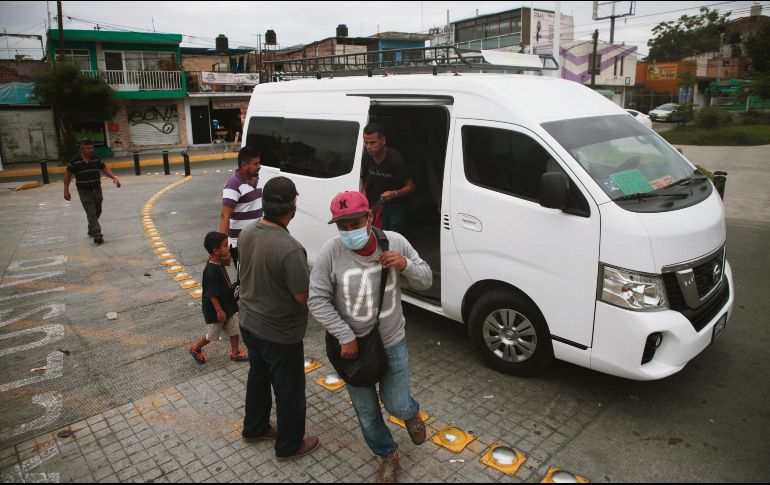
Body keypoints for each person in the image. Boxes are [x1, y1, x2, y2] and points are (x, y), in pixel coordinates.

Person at [308, 191, 432, 483]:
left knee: (397, 405)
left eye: (355, 223)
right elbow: (317, 299)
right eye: (342, 226)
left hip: (391, 341)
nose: (349, 231)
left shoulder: (395, 242)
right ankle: (388, 453)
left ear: (369, 217)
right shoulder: (331, 252)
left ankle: (411, 414)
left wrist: (405, 265)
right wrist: (344, 335)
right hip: (351, 349)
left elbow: (426, 279)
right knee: (367, 414)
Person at [237, 176, 319, 460]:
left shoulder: (247, 232)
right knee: (289, 391)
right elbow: (301, 297)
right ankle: (289, 445)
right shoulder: (290, 248)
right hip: (280, 334)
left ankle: (255, 427)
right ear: (292, 207)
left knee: (258, 378)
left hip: (249, 323)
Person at [189, 232, 249, 364]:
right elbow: (211, 293)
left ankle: (235, 353)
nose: (228, 248)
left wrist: (227, 257)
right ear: (216, 250)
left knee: (233, 329)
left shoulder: (217, 261)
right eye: (225, 246)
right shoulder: (211, 271)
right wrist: (219, 310)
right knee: (212, 334)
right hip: (217, 309)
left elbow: (227, 263)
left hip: (227, 304)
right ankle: (195, 348)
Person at [63, 139, 121, 245]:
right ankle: (97, 234)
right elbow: (67, 176)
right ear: (81, 149)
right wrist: (66, 190)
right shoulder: (74, 161)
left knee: (98, 210)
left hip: (97, 189)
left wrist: (114, 178)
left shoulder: (96, 159)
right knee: (91, 212)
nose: (91, 150)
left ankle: (91, 227)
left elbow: (105, 169)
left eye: (92, 148)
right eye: (88, 148)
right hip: (83, 190)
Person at [362, 123, 416, 233]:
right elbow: (369, 173)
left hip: (396, 205)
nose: (368, 147)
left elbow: (411, 187)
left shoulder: (394, 159)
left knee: (393, 236)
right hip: (377, 202)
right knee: (376, 233)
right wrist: (364, 189)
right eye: (366, 142)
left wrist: (394, 193)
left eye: (372, 142)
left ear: (383, 141)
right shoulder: (367, 156)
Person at [220, 146, 262, 273]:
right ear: (244, 165)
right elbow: (225, 216)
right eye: (256, 164)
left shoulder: (257, 179)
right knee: (245, 279)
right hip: (241, 244)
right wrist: (223, 245)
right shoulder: (233, 185)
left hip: (256, 239)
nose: (259, 166)